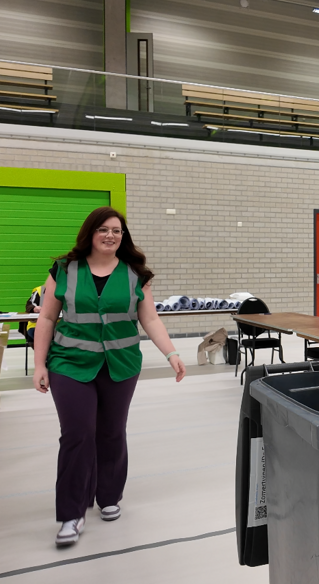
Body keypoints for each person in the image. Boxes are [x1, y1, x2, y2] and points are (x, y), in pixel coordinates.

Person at [32, 207, 187, 547]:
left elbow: (151, 319)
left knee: (112, 432)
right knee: (77, 434)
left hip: (120, 364)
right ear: (90, 233)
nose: (110, 236)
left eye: (116, 231)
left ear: (123, 236)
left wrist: (172, 353)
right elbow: (46, 319)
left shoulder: (135, 274)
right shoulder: (64, 270)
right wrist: (39, 364)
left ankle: (109, 495)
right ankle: (71, 513)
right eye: (103, 229)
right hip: (70, 365)